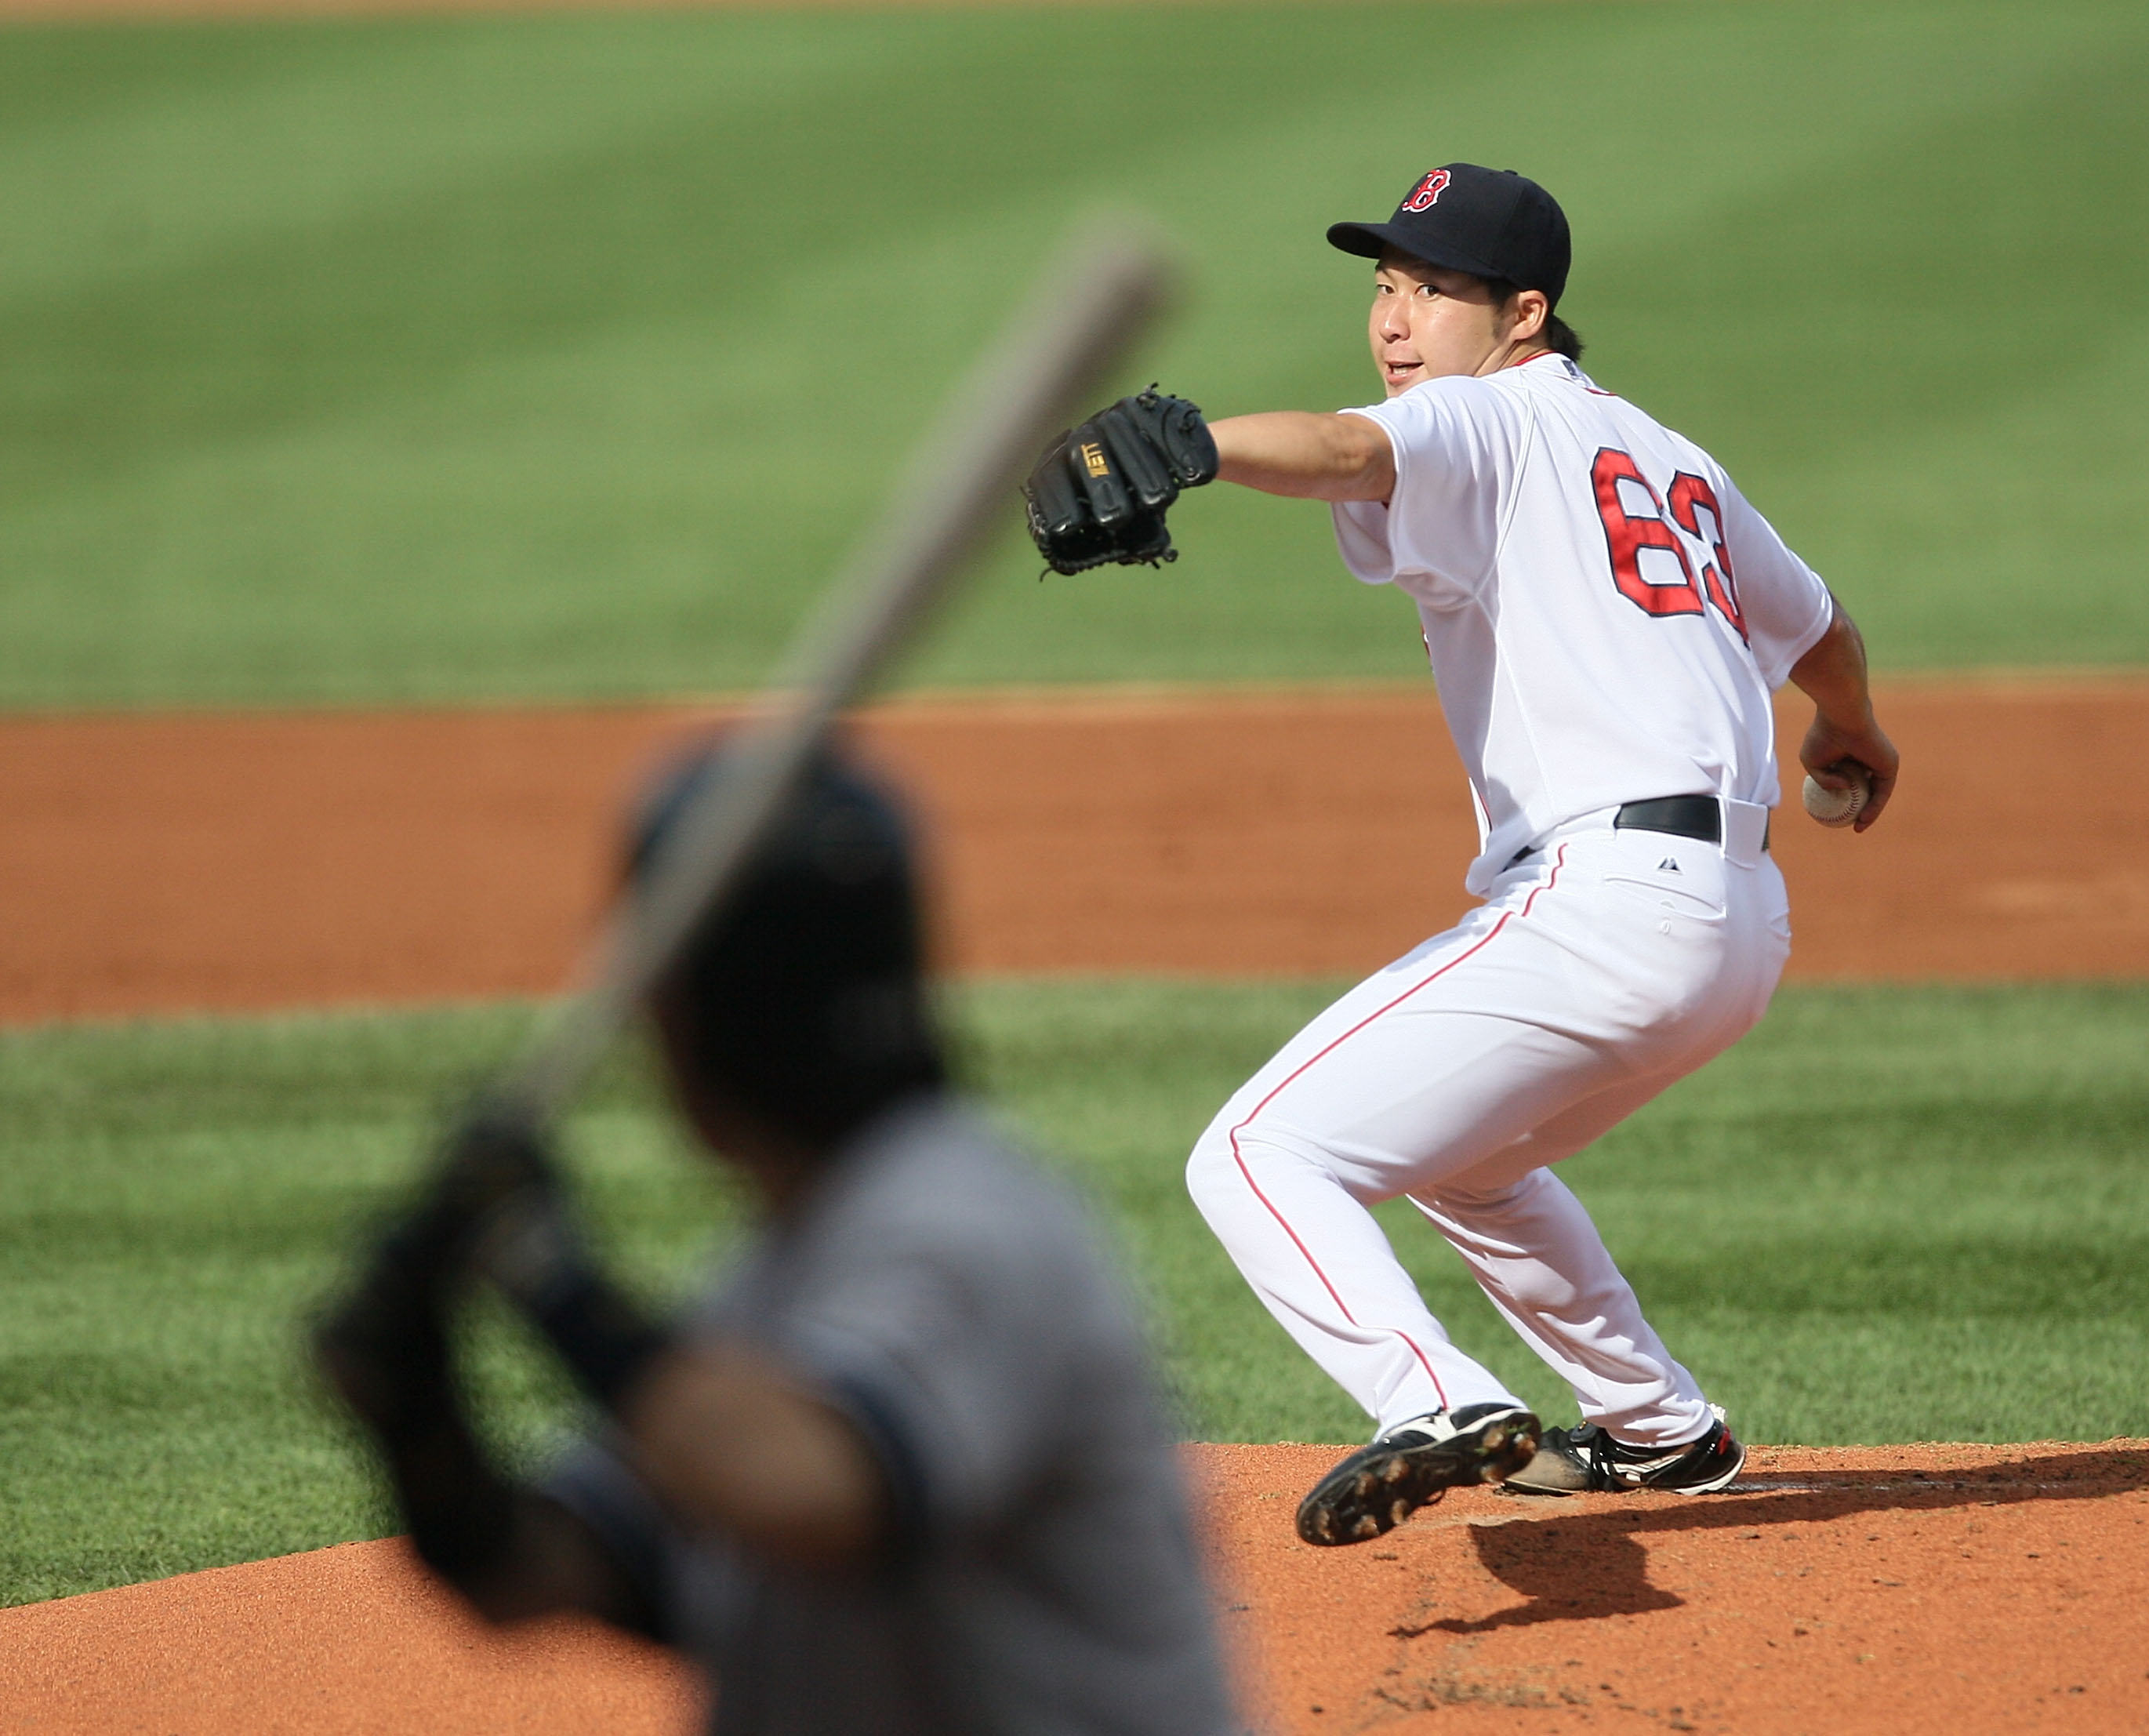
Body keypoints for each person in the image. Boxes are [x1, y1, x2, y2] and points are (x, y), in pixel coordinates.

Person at [1177, 162, 1900, 1545]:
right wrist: (1851, 735)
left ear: (1523, 313)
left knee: (1255, 1151)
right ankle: (1661, 1430)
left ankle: (1431, 1396)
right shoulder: (1669, 453)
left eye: (1434, 290)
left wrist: (1192, 447)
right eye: (1385, 283)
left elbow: (1344, 451)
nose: (1395, 319)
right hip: (1739, 923)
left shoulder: (1482, 416)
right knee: (1472, 1161)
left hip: (1611, 902)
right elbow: (1821, 628)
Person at [314, 743, 1237, 1733]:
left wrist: (547, 1275)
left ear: (686, 1019)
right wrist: (419, 1411)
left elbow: (812, 1488)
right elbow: (531, 1575)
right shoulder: (775, 1283)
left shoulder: (972, 1224)